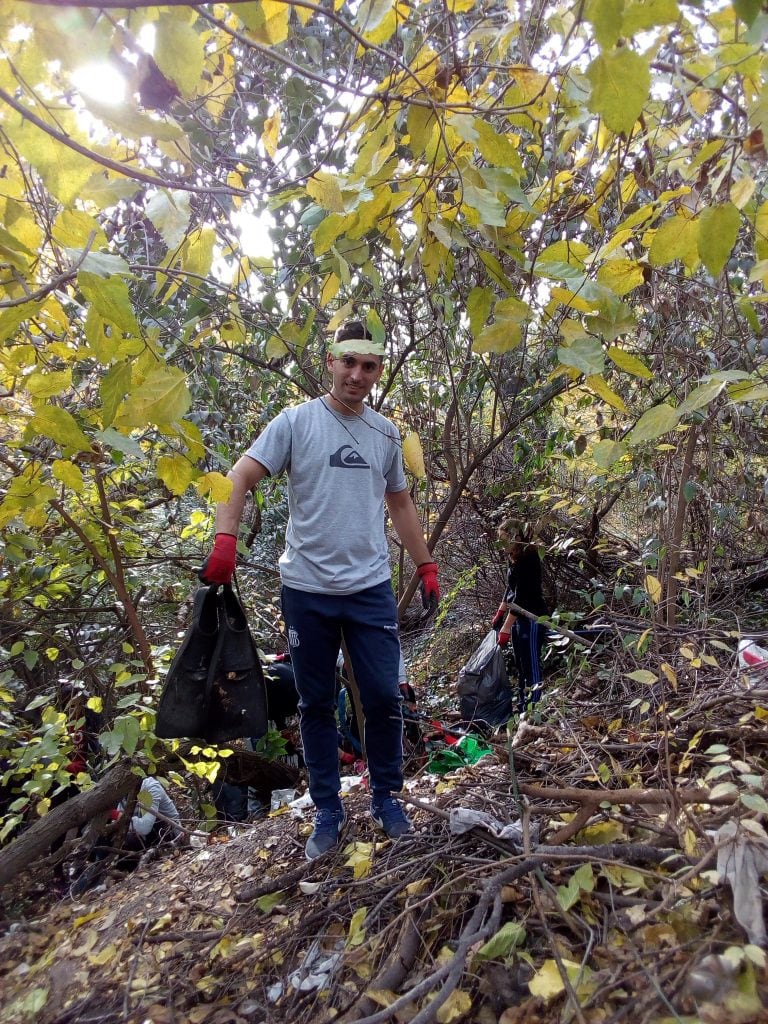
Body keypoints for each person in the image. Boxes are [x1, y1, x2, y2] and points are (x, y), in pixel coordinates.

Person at [200, 319, 439, 859]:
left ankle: (386, 798)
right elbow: (239, 475)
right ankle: (328, 811)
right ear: (330, 360)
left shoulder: (384, 433)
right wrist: (225, 540)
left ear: (379, 370)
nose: (356, 374)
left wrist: (425, 564)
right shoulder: (296, 423)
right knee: (313, 703)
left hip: (370, 587)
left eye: (368, 365)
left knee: (382, 695)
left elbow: (399, 503)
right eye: (347, 362)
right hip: (307, 589)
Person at [492, 521, 550, 715]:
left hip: (532, 617)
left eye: (504, 539)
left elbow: (522, 597)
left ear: (515, 538)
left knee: (531, 662)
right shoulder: (513, 557)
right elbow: (511, 588)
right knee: (521, 664)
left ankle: (535, 708)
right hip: (518, 618)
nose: (501, 544)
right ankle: (523, 706)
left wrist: (506, 627)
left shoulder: (529, 558)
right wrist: (500, 613)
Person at [119, 776, 182, 851]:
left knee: (129, 839)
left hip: (167, 835)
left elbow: (144, 828)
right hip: (143, 837)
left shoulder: (150, 788)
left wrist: (117, 816)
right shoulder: (122, 794)